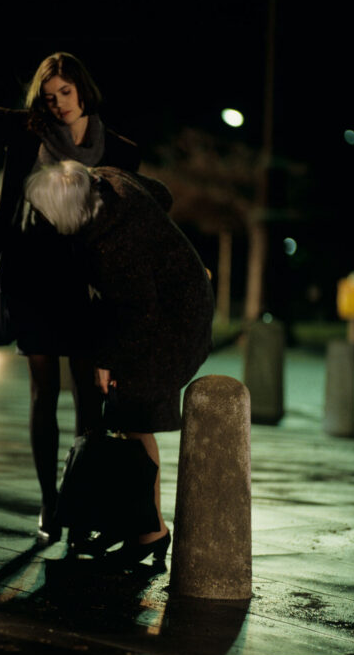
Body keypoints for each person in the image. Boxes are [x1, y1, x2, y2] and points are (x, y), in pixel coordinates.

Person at [0, 53, 141, 544]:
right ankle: (49, 502)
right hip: (32, 276)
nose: (59, 104)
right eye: (49, 96)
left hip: (87, 285)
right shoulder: (27, 133)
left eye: (65, 92)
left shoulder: (121, 151)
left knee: (89, 397)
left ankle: (80, 501)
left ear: (83, 89)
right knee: (43, 393)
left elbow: (127, 226)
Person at [23, 160, 214, 565]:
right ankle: (135, 525)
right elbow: (162, 193)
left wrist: (109, 362)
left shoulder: (112, 243)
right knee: (128, 420)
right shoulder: (108, 179)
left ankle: (152, 533)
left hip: (169, 324)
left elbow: (137, 310)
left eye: (45, 211)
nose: (41, 218)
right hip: (176, 302)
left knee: (135, 419)